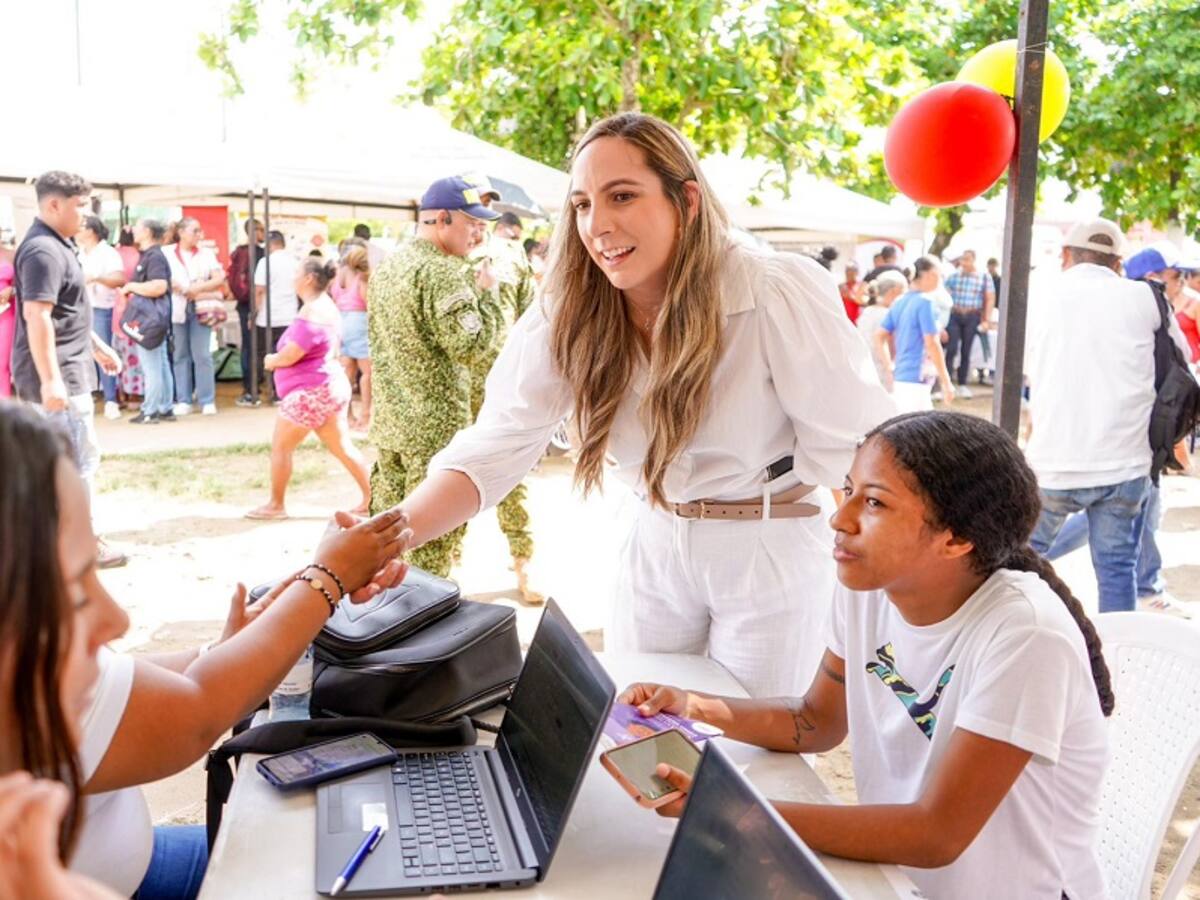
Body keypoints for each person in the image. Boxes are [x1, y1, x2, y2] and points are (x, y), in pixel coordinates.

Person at [393, 114, 895, 696]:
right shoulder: (571, 308)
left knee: (751, 755)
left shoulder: (769, 287)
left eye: (622, 196)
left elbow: (857, 451)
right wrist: (395, 532)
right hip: (654, 541)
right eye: (581, 204)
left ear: (686, 199)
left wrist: (893, 594)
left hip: (770, 549)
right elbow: (500, 442)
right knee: (643, 743)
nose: (597, 224)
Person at [624, 411, 1112, 900]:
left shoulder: (1026, 635)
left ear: (957, 539)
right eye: (848, 489)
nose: (840, 517)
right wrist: (690, 706)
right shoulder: (871, 585)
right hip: (896, 880)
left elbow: (935, 834)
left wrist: (729, 809)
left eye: (875, 502)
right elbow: (816, 720)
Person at [0, 400, 410, 898]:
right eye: (76, 591)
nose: (118, 620)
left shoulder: (41, 672)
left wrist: (226, 644)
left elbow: (134, 678)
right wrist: (326, 580)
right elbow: (195, 710)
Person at [1024, 219, 1164, 615]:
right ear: (1118, 263)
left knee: (1015, 563)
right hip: (1125, 462)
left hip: (1054, 460)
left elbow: (1024, 367)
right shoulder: (1143, 297)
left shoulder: (1042, 293)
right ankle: (1119, 664)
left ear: (1066, 255)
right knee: (1117, 570)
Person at [367, 175, 503, 577]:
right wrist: (488, 296)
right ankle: (422, 630)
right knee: (428, 554)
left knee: (388, 541)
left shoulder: (391, 266)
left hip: (392, 426)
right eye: (471, 222)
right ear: (442, 219)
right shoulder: (442, 271)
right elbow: (472, 346)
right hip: (434, 432)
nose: (478, 233)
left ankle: (384, 624)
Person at [11, 172, 125, 567]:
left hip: (69, 368)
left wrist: (95, 345)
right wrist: (51, 380)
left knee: (67, 461)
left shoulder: (60, 245)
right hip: (58, 376)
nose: (86, 212)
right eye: (79, 204)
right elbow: (37, 316)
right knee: (73, 463)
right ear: (53, 205)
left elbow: (65, 310)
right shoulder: (43, 249)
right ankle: (80, 544)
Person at [247, 259, 369, 519]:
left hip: (312, 391)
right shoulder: (325, 307)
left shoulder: (312, 311)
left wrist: (272, 360)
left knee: (281, 448)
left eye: (296, 272)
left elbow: (293, 353)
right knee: (342, 448)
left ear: (309, 279)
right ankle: (372, 498)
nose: (292, 276)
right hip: (326, 387)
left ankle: (276, 505)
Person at [466, 206, 541, 604]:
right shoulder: (446, 259)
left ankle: (523, 560)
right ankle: (440, 572)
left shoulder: (512, 258)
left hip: (501, 388)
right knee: (451, 476)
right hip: (457, 390)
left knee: (512, 474)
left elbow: (533, 320)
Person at [874, 256, 955, 413]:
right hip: (917, 375)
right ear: (930, 274)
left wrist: (889, 366)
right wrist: (946, 381)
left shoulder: (900, 301)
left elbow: (879, 335)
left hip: (902, 374)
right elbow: (932, 342)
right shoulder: (925, 302)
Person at [165, 217, 225, 417]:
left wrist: (197, 288)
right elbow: (164, 276)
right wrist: (181, 288)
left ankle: (206, 399)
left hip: (201, 307)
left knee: (202, 354)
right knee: (180, 354)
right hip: (178, 306)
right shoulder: (167, 253)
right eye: (195, 231)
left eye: (200, 231)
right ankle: (184, 399)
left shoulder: (206, 253)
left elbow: (219, 278)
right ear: (181, 232)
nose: (199, 235)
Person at [122, 219, 174, 424]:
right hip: (156, 319)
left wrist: (131, 287)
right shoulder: (153, 255)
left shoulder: (154, 257)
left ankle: (150, 410)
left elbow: (159, 286)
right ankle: (165, 407)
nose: (133, 230)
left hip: (150, 321)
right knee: (160, 363)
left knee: (152, 365)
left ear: (147, 231)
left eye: (137, 227)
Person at [77, 217, 126, 420]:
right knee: (81, 355)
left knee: (103, 352)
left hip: (101, 308)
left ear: (91, 231)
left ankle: (111, 400)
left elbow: (119, 279)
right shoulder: (76, 251)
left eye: (82, 226)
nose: (78, 229)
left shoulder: (108, 252)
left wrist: (96, 277)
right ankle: (87, 397)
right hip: (79, 307)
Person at [330, 245, 372, 430]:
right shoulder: (361, 278)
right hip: (359, 322)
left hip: (341, 322)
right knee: (368, 374)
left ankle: (347, 417)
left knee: (347, 374)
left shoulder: (338, 278)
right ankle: (365, 417)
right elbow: (367, 302)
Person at [253, 230, 299, 403]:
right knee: (288, 355)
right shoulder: (294, 262)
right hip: (290, 315)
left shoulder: (264, 263)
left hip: (268, 316)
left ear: (269, 244)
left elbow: (259, 291)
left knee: (268, 355)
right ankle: (286, 391)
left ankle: (271, 391)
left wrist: (254, 313)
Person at [942, 250, 994, 399]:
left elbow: (990, 298)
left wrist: (986, 320)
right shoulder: (954, 276)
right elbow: (943, 291)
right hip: (955, 314)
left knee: (966, 350)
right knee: (951, 349)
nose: (964, 263)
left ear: (974, 260)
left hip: (972, 316)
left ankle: (963, 384)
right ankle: (948, 382)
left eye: (967, 260)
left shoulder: (983, 277)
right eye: (962, 260)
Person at [227, 218, 264, 407]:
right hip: (255, 304)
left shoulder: (240, 252)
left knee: (250, 347)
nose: (263, 233)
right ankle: (252, 387)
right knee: (254, 347)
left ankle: (250, 388)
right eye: (260, 229)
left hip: (246, 304)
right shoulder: (259, 254)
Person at [858, 269, 906, 384]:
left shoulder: (867, 311)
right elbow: (885, 342)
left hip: (864, 364)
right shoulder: (887, 315)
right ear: (894, 291)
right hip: (881, 367)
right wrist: (889, 366)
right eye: (902, 293)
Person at [0, 243, 14, 398]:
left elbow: (24, 282)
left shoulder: (12, 254)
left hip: (8, 313)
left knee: (2, 364)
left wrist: (13, 290)